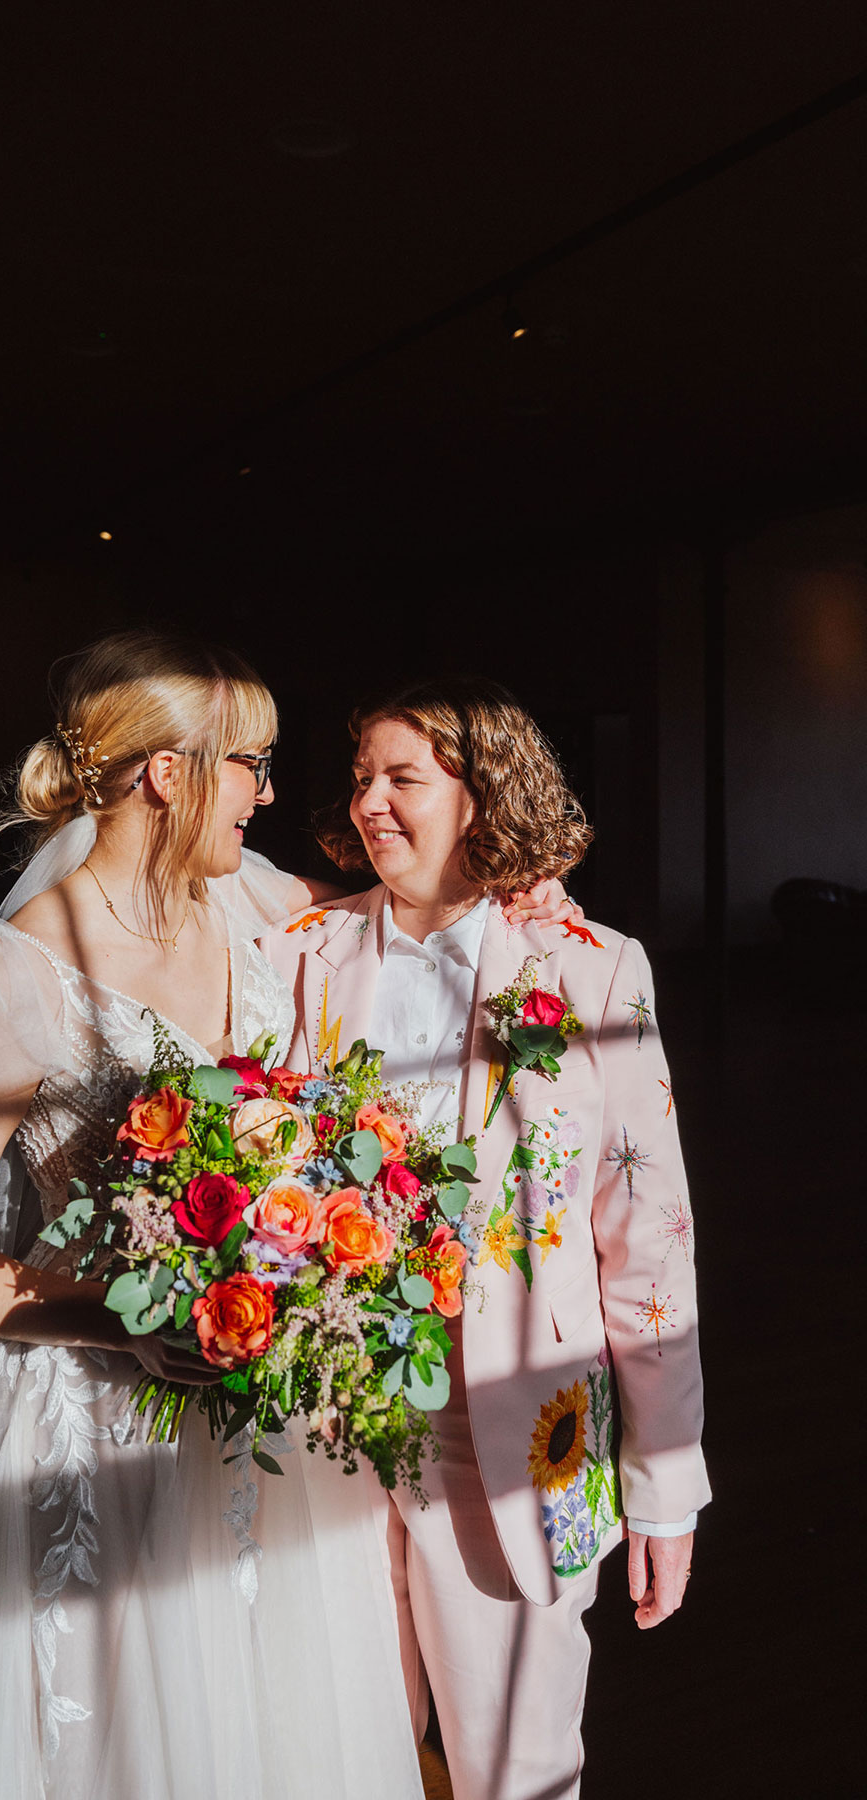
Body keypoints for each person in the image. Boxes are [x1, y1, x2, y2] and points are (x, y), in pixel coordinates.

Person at [0, 633, 575, 1800]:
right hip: (97, 1418)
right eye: (253, 763)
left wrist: (512, 884)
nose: (274, 792)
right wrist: (120, 1324)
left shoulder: (265, 904)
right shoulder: (7, 974)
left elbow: (417, 918)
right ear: (168, 774)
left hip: (269, 1421)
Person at [262, 676, 709, 1800]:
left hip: (510, 1428)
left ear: (483, 794)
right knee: (338, 1753)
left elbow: (647, 1236)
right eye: (362, 778)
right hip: (325, 1430)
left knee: (516, 1765)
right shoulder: (299, 953)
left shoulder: (591, 968)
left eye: (402, 777)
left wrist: (665, 1479)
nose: (370, 802)